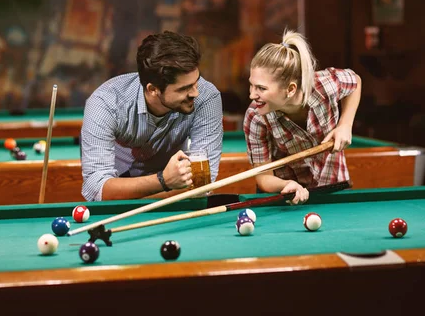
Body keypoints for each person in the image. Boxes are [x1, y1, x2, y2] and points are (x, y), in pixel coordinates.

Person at [80, 31, 223, 201]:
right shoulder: (105, 102)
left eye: (196, 82)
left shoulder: (207, 97)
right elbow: (97, 189)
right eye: (183, 89)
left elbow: (201, 184)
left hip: (173, 189)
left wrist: (167, 184)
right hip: (121, 185)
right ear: (152, 89)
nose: (196, 93)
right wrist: (163, 181)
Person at [244, 29, 362, 205]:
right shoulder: (255, 117)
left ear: (290, 89)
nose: (252, 95)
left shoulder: (324, 85)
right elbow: (263, 177)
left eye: (261, 88)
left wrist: (345, 124)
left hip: (334, 188)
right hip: (288, 198)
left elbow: (355, 81)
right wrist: (286, 185)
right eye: (251, 86)